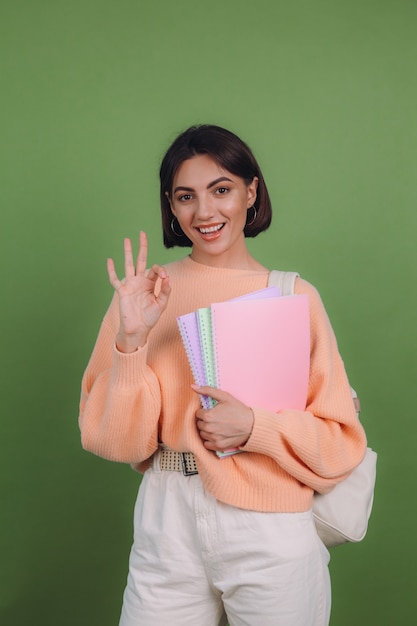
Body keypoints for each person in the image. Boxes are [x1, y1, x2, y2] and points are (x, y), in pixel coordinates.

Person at [79, 124, 367, 626]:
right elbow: (114, 441)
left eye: (221, 190)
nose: (205, 212)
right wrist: (132, 342)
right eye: (186, 196)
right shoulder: (142, 299)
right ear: (171, 206)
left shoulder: (294, 297)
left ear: (250, 192)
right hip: (166, 521)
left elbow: (342, 441)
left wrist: (256, 429)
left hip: (270, 526)